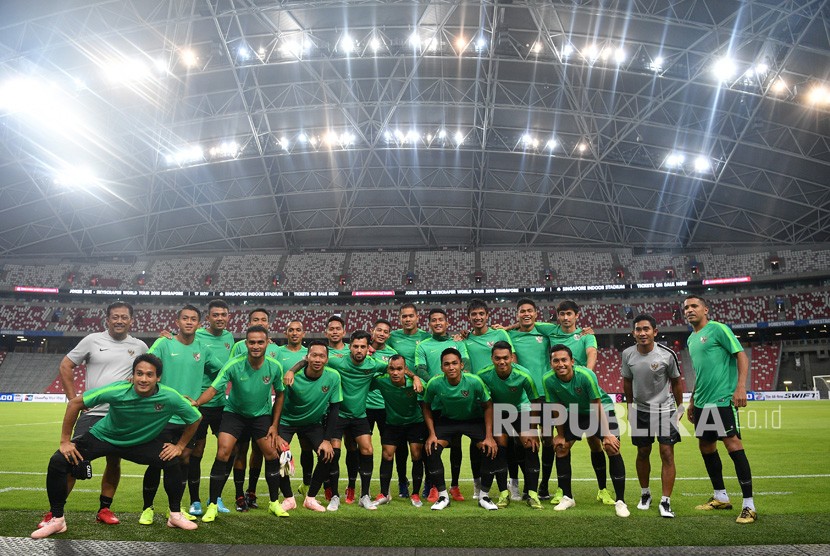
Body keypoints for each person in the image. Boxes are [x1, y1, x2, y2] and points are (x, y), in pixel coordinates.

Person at [32, 353, 201, 539]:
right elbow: (75, 403)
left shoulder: (170, 396)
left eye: (149, 374)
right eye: (139, 373)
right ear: (133, 375)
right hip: (105, 437)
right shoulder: (118, 390)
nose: (143, 379)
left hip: (140, 443)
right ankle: (57, 520)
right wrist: (65, 441)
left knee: (171, 460)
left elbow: (195, 418)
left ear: (158, 377)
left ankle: (175, 516)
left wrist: (179, 446)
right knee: (58, 460)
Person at [38, 301, 148, 528]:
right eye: (115, 317)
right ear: (107, 320)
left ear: (131, 321)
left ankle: (105, 508)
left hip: (122, 415)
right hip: (93, 413)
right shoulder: (92, 340)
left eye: (124, 317)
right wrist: (73, 399)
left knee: (114, 460)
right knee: (72, 459)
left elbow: (151, 372)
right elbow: (66, 365)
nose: (119, 320)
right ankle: (55, 512)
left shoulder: (140, 347)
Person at [284, 330, 395, 511]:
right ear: (349, 347)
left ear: (369, 348)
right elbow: (311, 359)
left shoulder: (373, 365)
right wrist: (291, 370)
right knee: (333, 452)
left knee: (367, 449)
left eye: (363, 347)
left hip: (359, 415)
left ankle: (364, 496)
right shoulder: (337, 361)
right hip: (338, 415)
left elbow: (393, 367)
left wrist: (413, 376)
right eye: (356, 346)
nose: (359, 350)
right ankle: (334, 496)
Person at [192, 325, 289, 521]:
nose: (255, 346)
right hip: (234, 414)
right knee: (223, 452)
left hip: (260, 416)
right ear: (245, 344)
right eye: (251, 342)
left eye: (260, 342)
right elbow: (213, 389)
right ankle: (212, 504)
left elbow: (280, 394)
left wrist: (274, 425)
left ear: (267, 343)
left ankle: (273, 503)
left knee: (271, 453)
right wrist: (197, 402)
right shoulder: (233, 365)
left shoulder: (274, 366)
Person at [140, 305, 224, 526]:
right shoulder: (164, 343)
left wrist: (202, 398)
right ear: (177, 322)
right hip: (162, 415)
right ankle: (147, 508)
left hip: (189, 417)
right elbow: (145, 366)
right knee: (157, 460)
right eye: (185, 318)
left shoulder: (202, 348)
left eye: (193, 319)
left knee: (183, 460)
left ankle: (175, 510)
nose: (189, 322)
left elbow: (222, 373)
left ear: (199, 324)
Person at [683, 295, 756, 524]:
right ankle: (721, 496)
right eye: (686, 307)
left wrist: (740, 387)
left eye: (694, 306)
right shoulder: (691, 339)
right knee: (706, 446)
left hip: (722, 399)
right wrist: (693, 400)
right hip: (703, 402)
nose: (689, 310)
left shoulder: (718, 329)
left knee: (732, 444)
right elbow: (700, 373)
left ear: (705, 309)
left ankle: (749, 505)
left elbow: (741, 356)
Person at [543, 344, 629, 518]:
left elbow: (596, 405)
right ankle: (567, 497)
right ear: (551, 363)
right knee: (561, 447)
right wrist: (560, 435)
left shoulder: (586, 376)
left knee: (612, 447)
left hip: (600, 410)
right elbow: (557, 407)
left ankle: (620, 501)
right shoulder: (548, 380)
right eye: (556, 360)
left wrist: (606, 435)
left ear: (572, 361)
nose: (560, 364)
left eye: (564, 360)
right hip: (574, 413)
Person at [621, 314, 683, 518]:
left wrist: (680, 408)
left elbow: (676, 381)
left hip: (665, 411)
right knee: (642, 452)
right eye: (638, 329)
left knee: (667, 453)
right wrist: (629, 407)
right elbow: (627, 382)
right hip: (640, 412)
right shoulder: (628, 354)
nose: (642, 333)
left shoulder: (667, 354)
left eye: (646, 329)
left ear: (655, 332)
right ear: (633, 333)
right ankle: (645, 494)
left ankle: (666, 501)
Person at [422, 348, 499, 511]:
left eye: (454, 363)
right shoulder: (434, 383)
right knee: (432, 449)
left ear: (461, 365)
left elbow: (488, 405)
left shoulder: (474, 381)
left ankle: (484, 496)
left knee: (490, 449)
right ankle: (443, 496)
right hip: (448, 421)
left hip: (472, 420)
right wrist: (431, 434)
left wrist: (489, 436)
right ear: (442, 367)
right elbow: (426, 406)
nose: (451, 367)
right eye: (447, 364)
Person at [276, 339, 341, 512]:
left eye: (322, 356)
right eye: (314, 355)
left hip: (312, 423)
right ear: (307, 357)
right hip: (287, 422)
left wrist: (327, 439)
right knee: (278, 455)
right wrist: (275, 431)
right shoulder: (292, 376)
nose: (318, 359)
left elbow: (335, 409)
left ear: (327, 359)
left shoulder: (333, 377)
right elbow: (277, 401)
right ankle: (289, 499)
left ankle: (310, 498)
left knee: (328, 454)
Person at [476, 341, 543, 509]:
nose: (502, 362)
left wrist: (534, 430)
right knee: (499, 445)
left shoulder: (524, 374)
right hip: (498, 410)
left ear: (512, 357)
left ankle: (533, 494)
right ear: (492, 358)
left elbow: (535, 401)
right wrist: (488, 433)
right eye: (497, 358)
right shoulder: (483, 375)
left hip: (522, 408)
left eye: (506, 358)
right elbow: (484, 403)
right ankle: (503, 493)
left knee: (531, 444)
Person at [226, 309, 281, 512]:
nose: (260, 322)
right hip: (239, 411)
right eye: (256, 319)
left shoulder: (275, 350)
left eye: (263, 320)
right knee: (239, 450)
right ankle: (239, 494)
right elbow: (229, 370)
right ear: (248, 324)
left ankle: (252, 491)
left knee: (259, 451)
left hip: (262, 411)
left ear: (268, 324)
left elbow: (283, 371)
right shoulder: (239, 347)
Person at [415, 308, 470, 503]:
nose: (437, 323)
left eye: (441, 320)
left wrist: (449, 387)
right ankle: (433, 486)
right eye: (434, 320)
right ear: (429, 324)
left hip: (454, 403)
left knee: (456, 444)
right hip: (432, 403)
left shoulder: (457, 343)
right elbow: (420, 369)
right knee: (430, 445)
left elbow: (466, 365)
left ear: (447, 323)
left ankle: (454, 486)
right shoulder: (422, 345)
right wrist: (439, 387)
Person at [464, 299, 517, 500]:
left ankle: (512, 486)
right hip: (478, 398)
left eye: (481, 314)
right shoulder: (465, 339)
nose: (478, 317)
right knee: (477, 443)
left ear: (487, 315)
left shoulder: (500, 334)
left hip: (502, 396)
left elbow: (513, 358)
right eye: (474, 314)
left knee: (507, 442)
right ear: (469, 317)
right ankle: (478, 486)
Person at [189, 299, 235, 516]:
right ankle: (195, 500)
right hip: (199, 403)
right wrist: (166, 335)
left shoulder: (229, 338)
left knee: (229, 450)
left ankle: (215, 497)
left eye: (223, 314)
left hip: (221, 403)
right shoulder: (196, 335)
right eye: (215, 315)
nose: (219, 318)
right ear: (207, 318)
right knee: (195, 450)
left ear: (228, 317)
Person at [369, 355, 427, 507]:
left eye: (399, 369)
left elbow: (430, 395)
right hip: (393, 423)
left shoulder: (414, 383)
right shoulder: (382, 381)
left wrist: (416, 377)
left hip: (415, 422)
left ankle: (415, 494)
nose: (395, 372)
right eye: (392, 369)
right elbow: (364, 382)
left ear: (405, 370)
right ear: (388, 369)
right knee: (387, 455)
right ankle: (384, 494)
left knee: (416, 454)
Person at [387, 303, 431, 498]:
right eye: (404, 316)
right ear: (400, 318)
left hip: (422, 396)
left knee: (420, 447)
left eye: (410, 316)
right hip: (399, 394)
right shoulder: (393, 336)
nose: (407, 319)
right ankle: (403, 481)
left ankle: (427, 483)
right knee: (400, 447)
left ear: (417, 317)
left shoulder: (426, 337)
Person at [367, 319, 411, 500]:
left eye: (386, 332)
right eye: (379, 330)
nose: (382, 334)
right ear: (373, 331)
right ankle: (365, 486)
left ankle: (401, 482)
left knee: (397, 448)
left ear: (389, 335)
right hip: (366, 406)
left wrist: (414, 377)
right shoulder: (363, 350)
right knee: (363, 448)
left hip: (386, 407)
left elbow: (402, 371)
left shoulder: (393, 354)